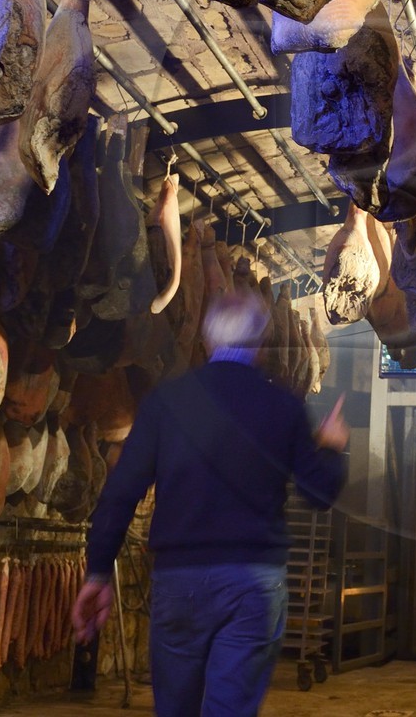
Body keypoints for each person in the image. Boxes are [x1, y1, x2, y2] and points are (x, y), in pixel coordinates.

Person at [73, 290, 349, 716]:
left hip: (179, 580)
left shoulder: (166, 403)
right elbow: (318, 493)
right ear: (261, 345)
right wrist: (330, 448)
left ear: (206, 341)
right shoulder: (283, 407)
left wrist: (97, 573)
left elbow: (121, 492)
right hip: (252, 585)